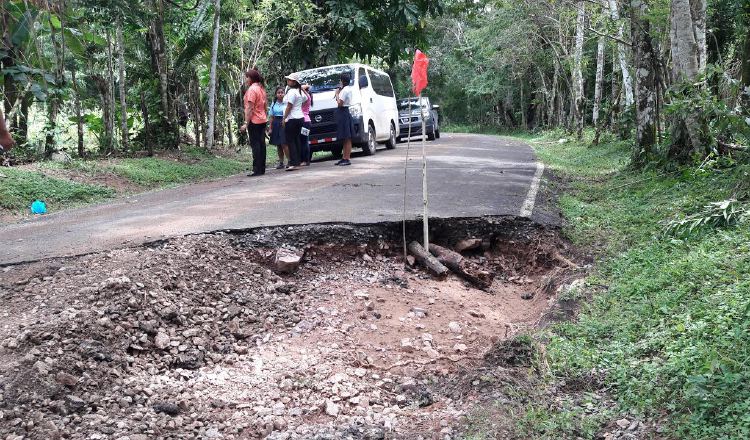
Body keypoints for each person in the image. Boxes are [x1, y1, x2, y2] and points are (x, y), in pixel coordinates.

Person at [240, 69, 268, 176]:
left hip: (254, 120)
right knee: (261, 144)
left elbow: (249, 108)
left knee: (256, 145)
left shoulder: (252, 90)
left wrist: (246, 123)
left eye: (247, 77)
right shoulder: (261, 89)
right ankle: (262, 168)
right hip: (262, 119)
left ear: (251, 78)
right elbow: (265, 105)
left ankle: (257, 169)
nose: (246, 79)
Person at [282, 73, 307, 171]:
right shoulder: (299, 91)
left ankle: (293, 162)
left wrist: (284, 118)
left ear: (293, 82)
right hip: (300, 117)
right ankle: (298, 161)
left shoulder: (292, 92)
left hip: (292, 118)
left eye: (289, 80)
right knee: (296, 140)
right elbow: (305, 99)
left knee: (290, 140)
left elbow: (289, 106)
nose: (287, 81)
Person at [333, 73, 354, 166]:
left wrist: (337, 94)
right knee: (345, 138)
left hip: (343, 111)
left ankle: (347, 158)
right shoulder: (346, 89)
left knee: (347, 137)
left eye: (340, 80)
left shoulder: (345, 91)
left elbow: (340, 103)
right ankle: (344, 157)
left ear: (342, 81)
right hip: (344, 113)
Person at [268, 87, 287, 169]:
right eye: (278, 92)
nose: (280, 94)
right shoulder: (274, 103)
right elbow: (271, 117)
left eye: (282, 92)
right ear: (276, 94)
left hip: (284, 122)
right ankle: (281, 162)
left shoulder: (286, 102)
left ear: (284, 93)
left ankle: (290, 161)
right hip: (276, 123)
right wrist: (270, 128)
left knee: (284, 143)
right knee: (278, 144)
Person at [300, 84, 313, 166]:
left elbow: (301, 88)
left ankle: (305, 160)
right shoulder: (308, 96)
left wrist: (305, 86)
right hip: (306, 121)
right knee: (304, 140)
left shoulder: (307, 96)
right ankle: (305, 159)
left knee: (304, 141)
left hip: (304, 122)